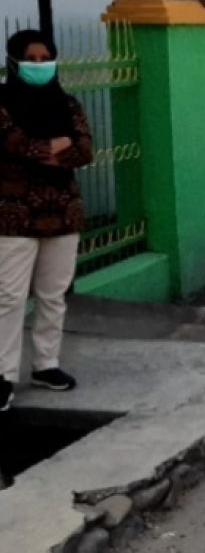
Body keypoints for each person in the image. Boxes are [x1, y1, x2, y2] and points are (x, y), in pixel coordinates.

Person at [0, 30, 93, 411]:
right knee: (9, 297)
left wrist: (44, 151)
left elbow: (85, 150)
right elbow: (13, 144)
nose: (39, 65)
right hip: (15, 216)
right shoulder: (2, 103)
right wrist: (54, 148)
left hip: (63, 215)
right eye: (30, 58)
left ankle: (46, 364)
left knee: (53, 296)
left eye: (44, 58)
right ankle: (3, 375)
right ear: (13, 61)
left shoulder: (67, 104)